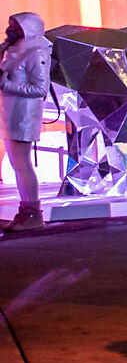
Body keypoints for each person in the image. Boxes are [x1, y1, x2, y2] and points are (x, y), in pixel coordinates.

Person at [2, 12, 52, 231]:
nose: (10, 30)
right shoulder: (13, 50)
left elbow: (40, 88)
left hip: (23, 114)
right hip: (9, 112)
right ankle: (26, 212)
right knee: (17, 164)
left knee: (22, 164)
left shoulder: (36, 51)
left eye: (16, 27)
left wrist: (7, 85)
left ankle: (33, 214)